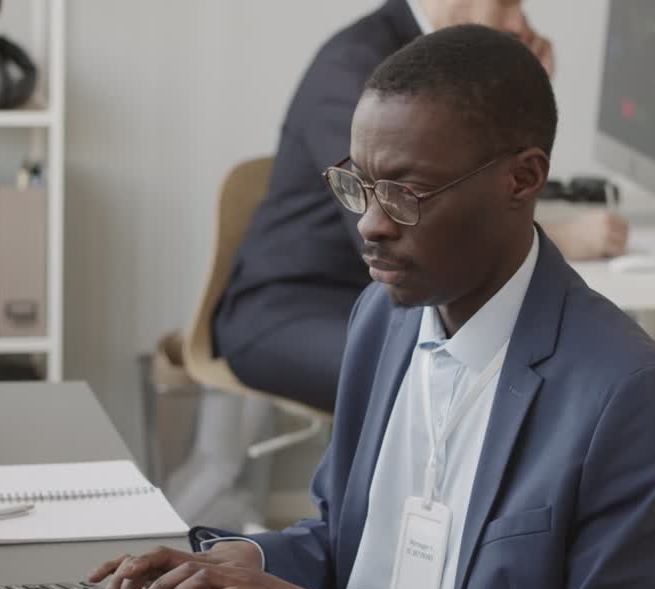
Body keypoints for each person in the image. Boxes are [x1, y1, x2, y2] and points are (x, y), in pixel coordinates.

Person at [93, 25, 655, 589]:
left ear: (523, 179)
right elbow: (342, 538)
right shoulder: (380, 321)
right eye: (357, 184)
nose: (370, 226)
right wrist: (239, 566)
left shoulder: (629, 399)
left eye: (408, 192)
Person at [214, 0, 629, 413]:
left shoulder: (452, 70)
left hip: (394, 295)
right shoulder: (356, 67)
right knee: (467, 377)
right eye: (504, 3)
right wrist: (569, 237)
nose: (519, 22)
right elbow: (392, 216)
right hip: (292, 311)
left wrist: (517, 93)